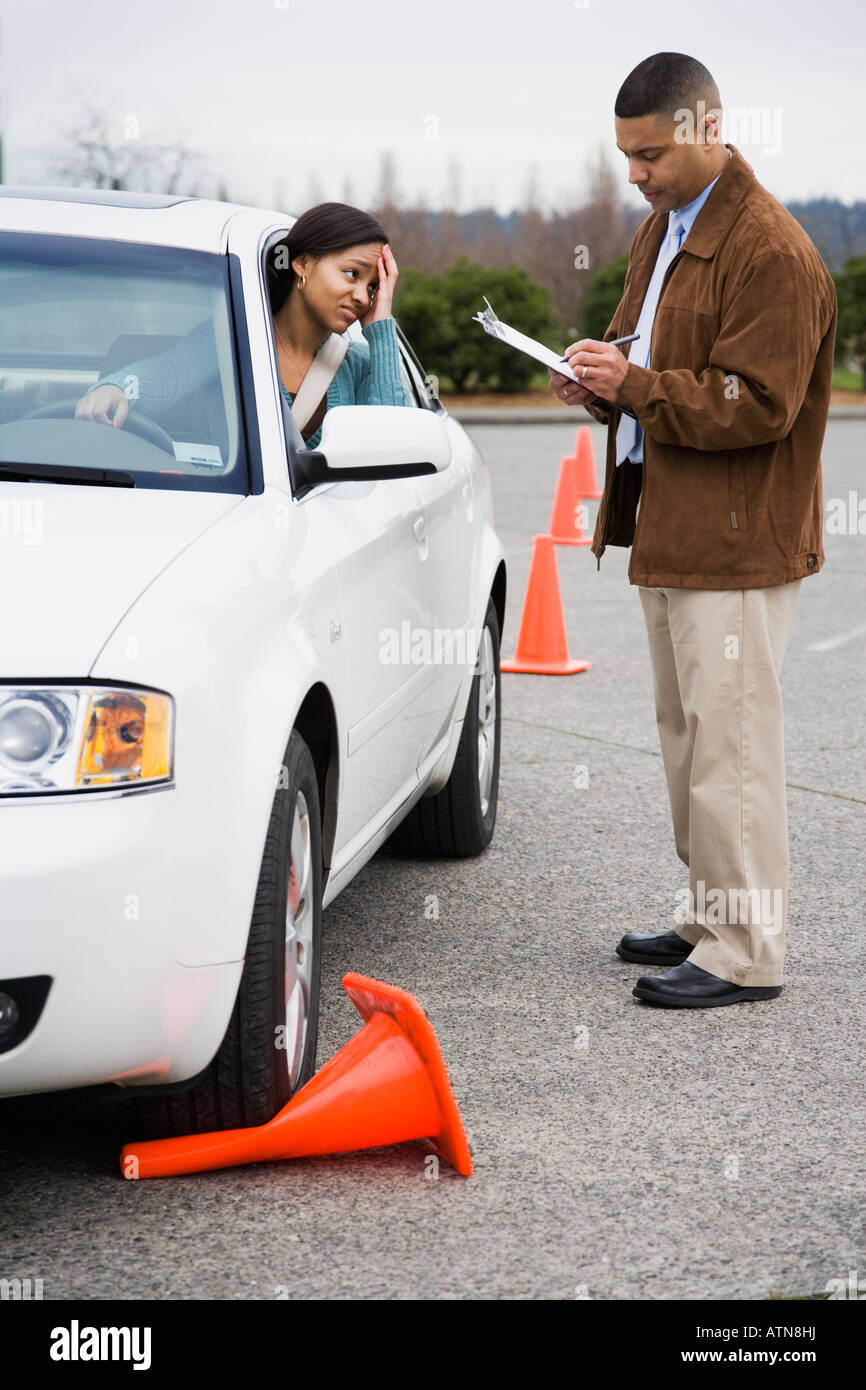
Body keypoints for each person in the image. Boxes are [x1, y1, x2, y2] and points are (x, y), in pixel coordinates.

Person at [548, 52, 837, 1009]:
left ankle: (747, 949)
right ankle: (711, 914)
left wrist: (632, 385)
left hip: (737, 539)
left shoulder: (773, 252)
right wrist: (597, 378)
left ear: (708, 129)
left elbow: (757, 404)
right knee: (687, 736)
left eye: (651, 154)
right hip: (672, 526)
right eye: (626, 155)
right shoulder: (663, 233)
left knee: (733, 745)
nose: (635, 172)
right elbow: (646, 363)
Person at [75, 201, 413, 450]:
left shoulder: (361, 366)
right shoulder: (234, 342)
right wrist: (119, 389)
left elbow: (396, 446)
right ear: (302, 263)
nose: (361, 296)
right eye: (352, 274)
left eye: (372, 287)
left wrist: (381, 325)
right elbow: (168, 373)